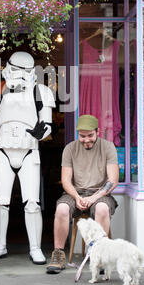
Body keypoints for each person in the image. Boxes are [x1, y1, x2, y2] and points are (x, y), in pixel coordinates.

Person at [0, 51, 55, 264]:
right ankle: (0, 245)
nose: (20, 75)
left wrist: (41, 132)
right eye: (17, 70)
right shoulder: (1, 91)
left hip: (29, 151)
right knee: (0, 202)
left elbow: (47, 123)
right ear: (8, 68)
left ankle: (35, 247)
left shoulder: (40, 91)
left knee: (32, 203)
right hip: (4, 151)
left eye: (25, 71)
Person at [46, 114, 119, 274]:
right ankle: (58, 254)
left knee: (101, 209)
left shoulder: (108, 147)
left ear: (98, 131)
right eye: (82, 136)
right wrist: (76, 197)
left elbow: (113, 180)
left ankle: (99, 256)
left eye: (90, 135)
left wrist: (93, 197)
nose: (86, 140)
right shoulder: (70, 149)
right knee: (62, 209)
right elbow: (65, 180)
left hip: (100, 194)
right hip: (76, 193)